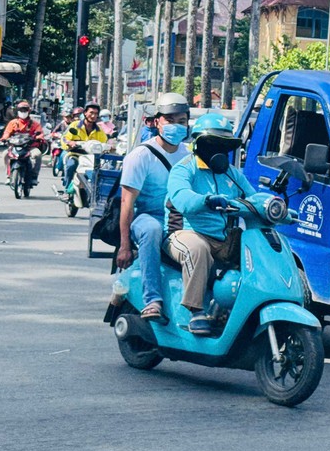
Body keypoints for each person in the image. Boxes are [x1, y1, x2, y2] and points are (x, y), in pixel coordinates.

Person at [163, 113, 255, 335]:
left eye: (224, 145)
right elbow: (182, 198)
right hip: (184, 233)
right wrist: (205, 200)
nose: (219, 150)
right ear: (198, 144)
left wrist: (274, 207)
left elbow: (252, 198)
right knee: (198, 249)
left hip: (223, 239)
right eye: (213, 144)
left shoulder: (231, 174)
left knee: (256, 249)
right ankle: (195, 311)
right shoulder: (184, 169)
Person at [116, 93, 190, 322]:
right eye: (170, 120)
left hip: (181, 218)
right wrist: (125, 246)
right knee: (152, 230)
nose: (176, 126)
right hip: (149, 216)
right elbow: (127, 203)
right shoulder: (140, 156)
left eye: (181, 121)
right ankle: (152, 300)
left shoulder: (189, 155)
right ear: (157, 121)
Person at [62, 101, 108, 191]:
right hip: (76, 155)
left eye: (96, 114)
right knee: (71, 165)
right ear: (85, 113)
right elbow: (64, 138)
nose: (93, 116)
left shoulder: (99, 130)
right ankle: (67, 190)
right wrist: (70, 143)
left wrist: (110, 146)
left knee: (103, 170)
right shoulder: (75, 125)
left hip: (92, 158)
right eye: (91, 113)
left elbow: (104, 142)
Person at [0, 100, 45, 186]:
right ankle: (8, 176)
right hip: (14, 147)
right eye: (21, 110)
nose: (23, 112)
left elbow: (40, 133)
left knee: (38, 154)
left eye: (25, 110)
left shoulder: (34, 124)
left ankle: (34, 176)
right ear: (17, 111)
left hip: (29, 147)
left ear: (29, 111)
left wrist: (38, 138)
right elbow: (7, 133)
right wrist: (4, 139)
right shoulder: (13, 123)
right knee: (5, 154)